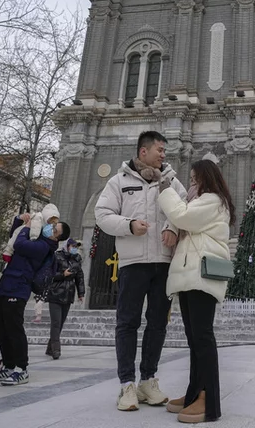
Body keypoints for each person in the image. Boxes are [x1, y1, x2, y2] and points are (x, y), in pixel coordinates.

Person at [95, 131, 187, 412]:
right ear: (143, 151)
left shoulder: (170, 181)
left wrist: (172, 228)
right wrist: (129, 225)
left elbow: (184, 210)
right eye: (159, 149)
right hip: (133, 264)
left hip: (163, 263)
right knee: (127, 323)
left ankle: (148, 380)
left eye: (164, 151)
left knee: (158, 323)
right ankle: (127, 385)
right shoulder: (119, 181)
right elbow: (102, 214)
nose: (163, 154)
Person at [157, 159, 233, 424]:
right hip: (191, 275)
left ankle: (208, 401)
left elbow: (181, 215)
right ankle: (193, 394)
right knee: (194, 339)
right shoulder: (200, 200)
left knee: (202, 338)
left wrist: (165, 187)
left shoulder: (212, 200)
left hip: (202, 275)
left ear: (206, 178)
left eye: (194, 178)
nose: (191, 182)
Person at [0, 219, 69, 386]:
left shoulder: (44, 247)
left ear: (56, 237)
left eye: (54, 229)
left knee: (14, 327)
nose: (50, 228)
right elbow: (14, 236)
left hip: (19, 287)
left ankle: (21, 368)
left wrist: (27, 227)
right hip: (7, 284)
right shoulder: (38, 239)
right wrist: (20, 221)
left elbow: (19, 245)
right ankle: (9, 365)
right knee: (2, 327)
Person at [45, 238, 85, 360]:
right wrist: (63, 275)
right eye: (72, 246)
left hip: (68, 293)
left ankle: (50, 348)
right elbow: (49, 274)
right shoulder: (57, 256)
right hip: (55, 292)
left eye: (76, 247)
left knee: (61, 322)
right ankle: (56, 350)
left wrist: (81, 293)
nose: (74, 248)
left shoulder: (77, 259)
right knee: (56, 322)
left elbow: (80, 277)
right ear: (67, 246)